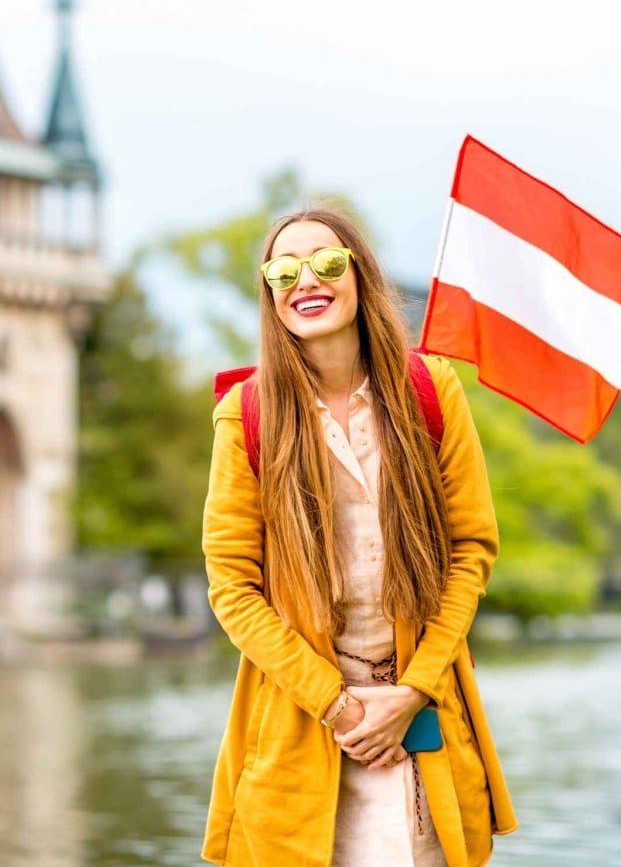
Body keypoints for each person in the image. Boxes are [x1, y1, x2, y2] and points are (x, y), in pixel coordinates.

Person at [201, 207, 517, 867]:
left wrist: (413, 691)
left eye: (326, 262)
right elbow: (232, 587)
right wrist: (338, 706)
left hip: (421, 725)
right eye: (284, 271)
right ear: (270, 294)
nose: (305, 280)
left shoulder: (431, 391)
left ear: (359, 273)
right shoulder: (244, 417)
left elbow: (471, 550)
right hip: (304, 731)